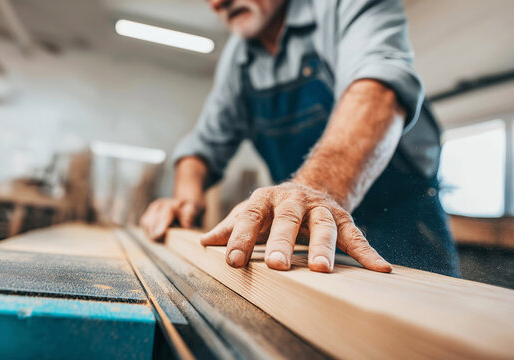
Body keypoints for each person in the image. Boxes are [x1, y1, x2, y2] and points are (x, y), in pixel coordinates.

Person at [140, 0, 460, 277]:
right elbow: (203, 146)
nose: (217, 3)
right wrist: (184, 199)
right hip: (310, 228)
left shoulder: (341, 6)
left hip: (403, 223)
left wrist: (313, 192)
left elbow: (379, 93)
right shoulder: (238, 60)